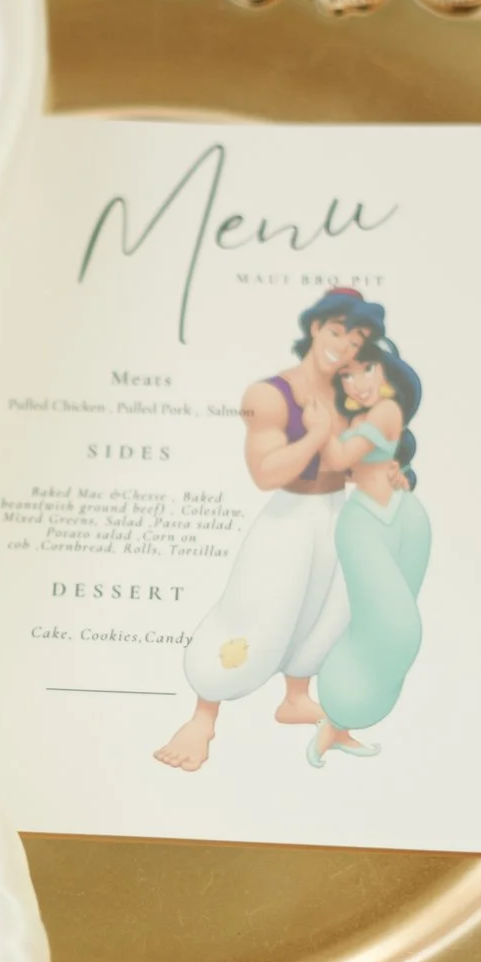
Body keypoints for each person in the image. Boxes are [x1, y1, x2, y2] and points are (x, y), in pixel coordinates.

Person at [153, 288, 381, 772]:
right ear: (315, 327)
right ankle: (202, 716)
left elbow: (350, 463)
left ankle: (295, 698)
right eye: (337, 330)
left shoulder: (352, 394)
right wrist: (318, 435)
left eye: (357, 337)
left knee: (322, 612)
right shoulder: (269, 394)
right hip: (289, 518)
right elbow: (265, 473)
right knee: (255, 608)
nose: (345, 345)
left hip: (335, 515)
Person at [307, 336, 430, 764]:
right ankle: (340, 715)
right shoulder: (362, 415)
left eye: (367, 370)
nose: (357, 383)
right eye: (347, 375)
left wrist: (322, 423)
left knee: (392, 629)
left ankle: (340, 722)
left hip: (403, 513)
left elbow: (341, 456)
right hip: (366, 519)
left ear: (386, 373)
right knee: (397, 629)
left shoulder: (383, 411)